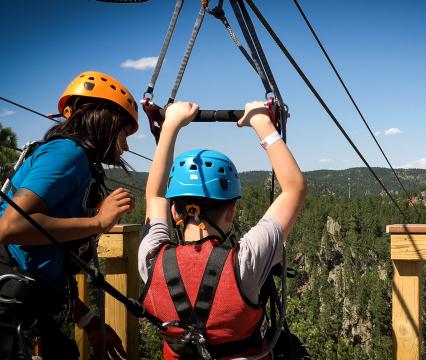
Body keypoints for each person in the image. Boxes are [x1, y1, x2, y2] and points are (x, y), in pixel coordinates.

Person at [138, 100, 307, 359]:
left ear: (175, 212)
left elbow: (154, 195)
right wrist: (262, 123)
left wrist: (170, 124)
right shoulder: (244, 262)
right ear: (231, 212)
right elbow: (295, 188)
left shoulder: (151, 260)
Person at [0, 71, 137, 359]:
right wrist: (97, 222)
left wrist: (89, 321)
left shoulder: (76, 159)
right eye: (125, 132)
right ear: (105, 120)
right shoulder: (67, 153)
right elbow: (11, 226)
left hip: (24, 307)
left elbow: (43, 267)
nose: (125, 145)